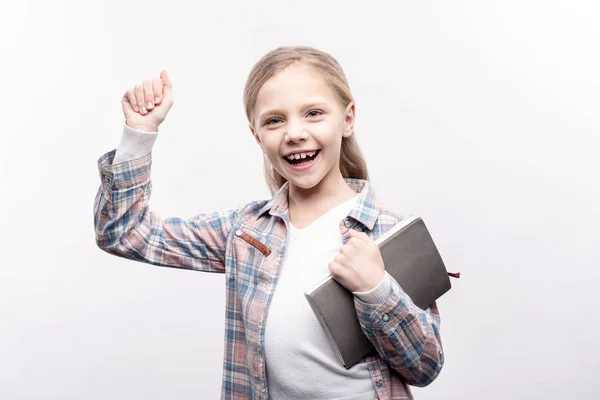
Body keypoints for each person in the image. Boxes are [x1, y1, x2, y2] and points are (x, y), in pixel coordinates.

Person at [94, 46, 444, 400]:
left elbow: (425, 367)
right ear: (257, 136)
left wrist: (377, 290)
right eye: (275, 120)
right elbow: (125, 233)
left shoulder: (389, 233)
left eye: (313, 113)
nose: (294, 133)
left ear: (348, 118)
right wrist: (138, 136)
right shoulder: (245, 232)